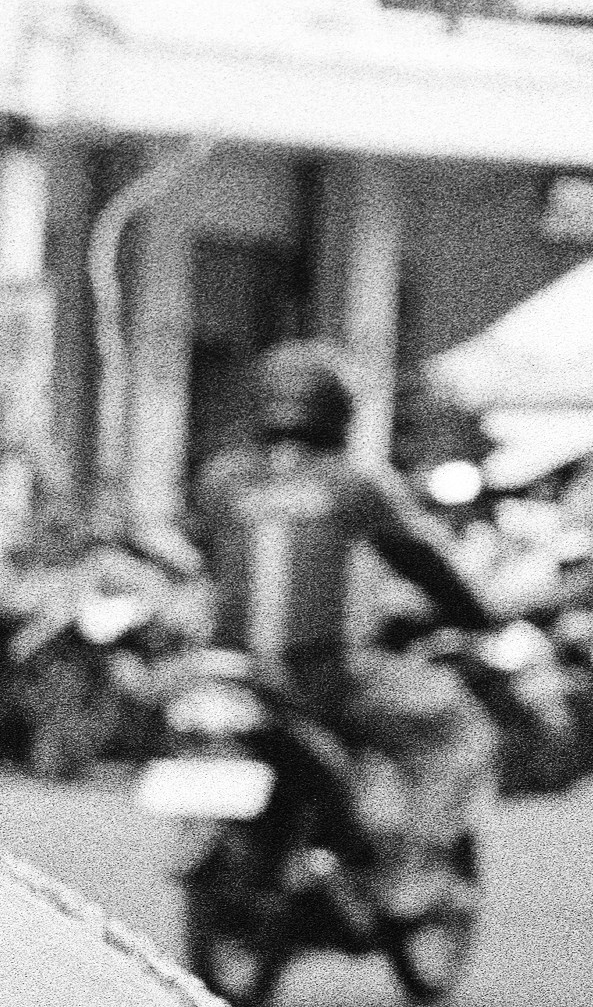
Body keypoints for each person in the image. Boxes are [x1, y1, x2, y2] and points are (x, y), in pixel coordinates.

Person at [189, 339, 498, 916]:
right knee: (456, 727)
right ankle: (412, 871)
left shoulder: (219, 480)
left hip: (226, 670)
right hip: (324, 673)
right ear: (339, 412)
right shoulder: (355, 483)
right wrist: (475, 616)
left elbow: (208, 558)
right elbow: (424, 561)